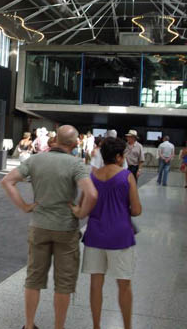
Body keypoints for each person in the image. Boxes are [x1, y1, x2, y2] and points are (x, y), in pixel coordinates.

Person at [0, 125, 98, 329]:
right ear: (74, 143)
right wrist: (81, 213)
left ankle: (28, 325)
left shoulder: (35, 159)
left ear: (55, 141)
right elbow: (92, 194)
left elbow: (7, 181)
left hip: (39, 226)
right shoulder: (76, 164)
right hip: (66, 229)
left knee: (33, 278)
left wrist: (25, 206)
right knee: (63, 283)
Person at [70, 137, 142, 329]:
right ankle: (127, 327)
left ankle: (96, 326)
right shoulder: (127, 176)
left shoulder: (92, 176)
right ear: (118, 157)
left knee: (96, 283)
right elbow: (136, 210)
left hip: (95, 235)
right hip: (121, 235)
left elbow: (82, 206)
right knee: (124, 285)